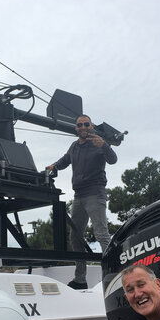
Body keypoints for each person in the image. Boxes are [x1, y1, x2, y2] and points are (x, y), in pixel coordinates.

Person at [46, 114, 117, 290]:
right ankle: (80, 279)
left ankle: (113, 276)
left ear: (91, 126)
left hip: (95, 193)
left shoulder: (98, 142)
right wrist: (54, 166)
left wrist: (106, 146)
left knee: (101, 234)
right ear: (76, 128)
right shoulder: (74, 146)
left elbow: (113, 160)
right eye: (80, 125)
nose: (83, 127)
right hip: (78, 196)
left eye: (86, 124)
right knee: (75, 237)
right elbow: (64, 160)